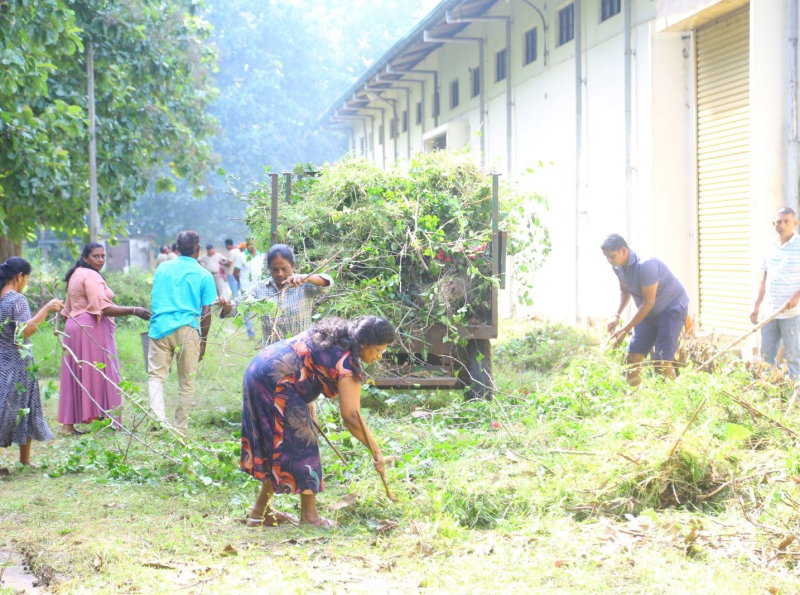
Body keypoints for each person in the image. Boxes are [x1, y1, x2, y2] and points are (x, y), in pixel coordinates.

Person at [241, 315, 395, 528]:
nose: (379, 356)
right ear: (363, 344)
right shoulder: (348, 362)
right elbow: (351, 416)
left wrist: (306, 404)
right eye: (378, 350)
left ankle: (260, 513)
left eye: (383, 351)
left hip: (259, 371)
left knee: (274, 443)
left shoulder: (335, 338)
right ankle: (310, 517)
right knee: (305, 444)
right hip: (276, 382)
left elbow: (310, 364)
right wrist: (376, 450)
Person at [59, 243, 152, 435]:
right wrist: (134, 310)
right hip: (90, 327)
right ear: (85, 258)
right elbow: (101, 308)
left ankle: (68, 426)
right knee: (100, 373)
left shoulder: (76, 273)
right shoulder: (91, 275)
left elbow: (65, 311)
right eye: (96, 256)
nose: (100, 260)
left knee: (75, 374)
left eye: (102, 256)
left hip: (73, 327)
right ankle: (107, 421)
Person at [147, 231, 217, 433]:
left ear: (177, 249)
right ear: (198, 249)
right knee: (186, 382)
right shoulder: (204, 274)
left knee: (155, 377)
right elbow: (206, 311)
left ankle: (159, 421)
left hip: (160, 327)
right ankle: (179, 428)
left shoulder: (162, 268)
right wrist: (203, 341)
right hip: (188, 329)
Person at [0, 258, 63, 471]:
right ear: (20, 277)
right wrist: (45, 309)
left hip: (2, 361)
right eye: (26, 278)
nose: (26, 282)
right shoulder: (16, 299)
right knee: (15, 410)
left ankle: (25, 460)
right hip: (17, 363)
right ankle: (23, 459)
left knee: (23, 408)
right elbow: (23, 332)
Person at [602, 234, 690, 386]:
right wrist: (616, 316)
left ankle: (672, 401)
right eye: (607, 257)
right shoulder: (618, 267)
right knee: (632, 358)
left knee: (661, 362)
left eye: (612, 256)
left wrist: (624, 330)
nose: (609, 261)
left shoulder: (646, 265)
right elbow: (625, 291)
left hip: (671, 309)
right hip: (647, 312)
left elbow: (648, 303)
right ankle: (633, 402)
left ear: (623, 250)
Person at [217, 244, 333, 345]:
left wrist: (306, 278)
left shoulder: (303, 285)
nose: (280, 273)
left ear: (293, 266)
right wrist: (227, 305)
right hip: (272, 354)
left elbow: (328, 282)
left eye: (285, 269)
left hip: (301, 352)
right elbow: (237, 305)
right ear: (268, 268)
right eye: (274, 269)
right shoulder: (261, 288)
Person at [751, 207, 800, 378]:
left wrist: (797, 296)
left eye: (787, 221)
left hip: (792, 315)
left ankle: (796, 397)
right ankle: (768, 395)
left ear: (795, 223)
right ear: (774, 224)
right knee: (765, 357)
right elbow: (764, 278)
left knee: (794, 357)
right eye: (779, 221)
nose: (782, 225)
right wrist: (756, 306)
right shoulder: (769, 247)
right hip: (770, 313)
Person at [233, 239, 265, 339]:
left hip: (259, 287)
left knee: (262, 310)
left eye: (253, 244)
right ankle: (251, 333)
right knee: (246, 311)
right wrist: (242, 282)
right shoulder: (241, 256)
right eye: (249, 244)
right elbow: (235, 272)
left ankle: (264, 333)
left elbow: (263, 270)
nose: (252, 246)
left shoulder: (262, 256)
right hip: (245, 288)